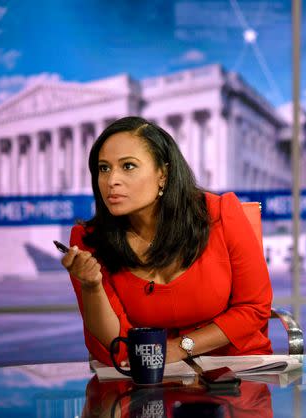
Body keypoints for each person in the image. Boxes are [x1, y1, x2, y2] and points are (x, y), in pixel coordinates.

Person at [60, 116, 273, 367]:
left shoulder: (221, 214)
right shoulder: (88, 240)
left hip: (234, 368)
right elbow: (116, 345)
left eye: (128, 166)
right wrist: (92, 287)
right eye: (103, 168)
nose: (111, 180)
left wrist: (182, 347)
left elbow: (253, 308)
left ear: (163, 174)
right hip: (147, 373)